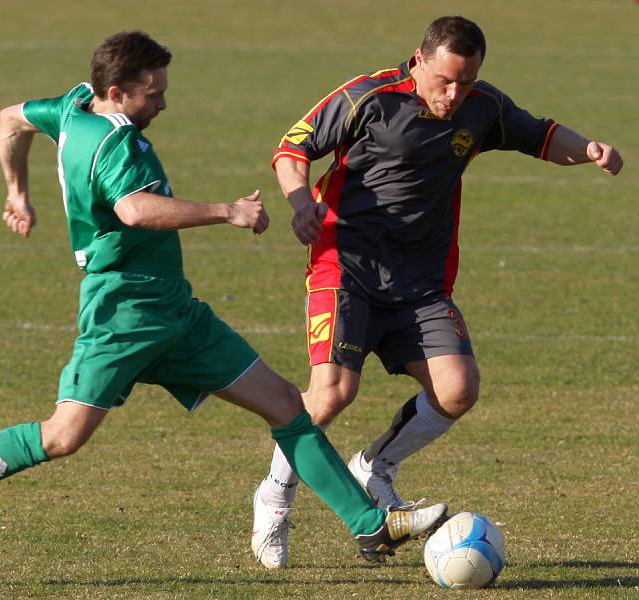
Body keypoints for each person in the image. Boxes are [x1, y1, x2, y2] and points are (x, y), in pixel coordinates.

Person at [0, 31, 448, 563]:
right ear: (117, 93)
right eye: (154, 94)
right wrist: (230, 211)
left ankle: (370, 524)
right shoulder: (120, 146)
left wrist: (17, 192)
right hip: (122, 313)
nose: (163, 105)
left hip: (176, 311)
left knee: (287, 407)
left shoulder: (72, 108)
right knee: (61, 437)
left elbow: (9, 119)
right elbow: (134, 210)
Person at [251, 15, 623, 569]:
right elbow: (292, 148)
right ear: (419, 60)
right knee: (330, 394)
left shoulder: (483, 107)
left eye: (466, 82)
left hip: (421, 282)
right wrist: (301, 201)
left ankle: (375, 467)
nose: (454, 95)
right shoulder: (368, 97)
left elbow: (541, 136)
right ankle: (275, 497)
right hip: (345, 267)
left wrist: (588, 148)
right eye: (445, 80)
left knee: (457, 389)